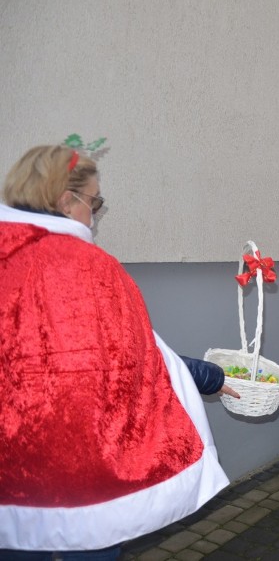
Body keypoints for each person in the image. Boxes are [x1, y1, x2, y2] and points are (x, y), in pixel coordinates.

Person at [0, 145, 230, 558]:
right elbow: (139, 358)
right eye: (95, 201)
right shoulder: (93, 268)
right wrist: (214, 377)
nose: (95, 214)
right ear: (67, 202)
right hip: (87, 471)